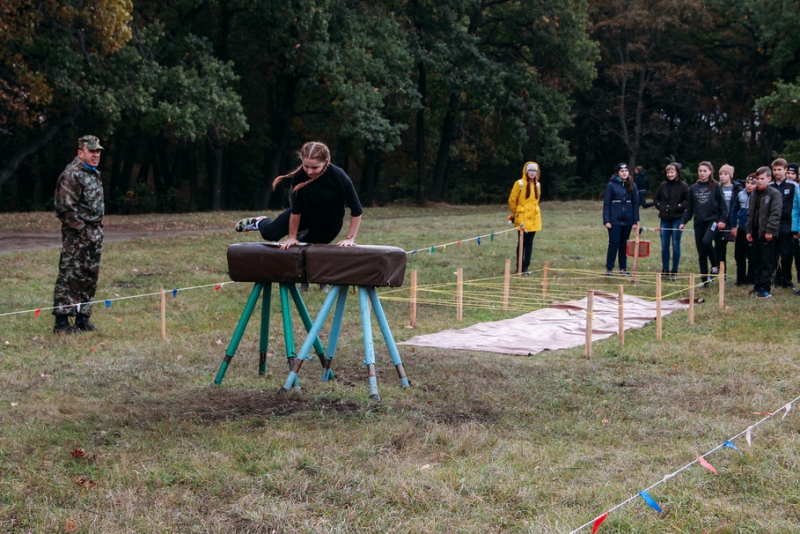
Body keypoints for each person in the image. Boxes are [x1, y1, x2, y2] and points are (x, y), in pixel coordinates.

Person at [234, 141, 363, 290]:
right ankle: (260, 222)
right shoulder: (299, 177)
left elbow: (357, 210)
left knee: (305, 250)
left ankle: (310, 282)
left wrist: (350, 238)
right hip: (306, 215)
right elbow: (296, 211)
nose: (309, 171)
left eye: (315, 167)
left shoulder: (339, 176)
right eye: (306, 166)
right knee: (271, 234)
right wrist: (292, 236)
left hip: (329, 223)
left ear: (325, 162)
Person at [52, 135, 105, 334]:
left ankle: (83, 318)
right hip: (77, 238)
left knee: (89, 276)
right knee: (70, 276)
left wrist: (95, 233)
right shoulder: (71, 175)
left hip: (95, 236)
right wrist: (82, 231)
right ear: (80, 152)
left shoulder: (93, 174)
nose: (96, 155)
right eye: (91, 151)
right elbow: (65, 209)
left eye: (98, 151)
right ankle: (62, 323)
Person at [679, 161, 727, 287]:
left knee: (707, 241)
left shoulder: (715, 186)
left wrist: (722, 220)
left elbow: (723, 205)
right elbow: (689, 208)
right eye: (700, 171)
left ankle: (715, 265)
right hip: (698, 222)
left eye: (705, 171)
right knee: (701, 252)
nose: (702, 173)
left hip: (713, 220)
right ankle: (704, 281)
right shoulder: (693, 188)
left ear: (710, 172)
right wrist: (683, 221)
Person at [747, 167, 782, 298]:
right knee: (756, 259)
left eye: (762, 179)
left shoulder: (774, 194)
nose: (760, 181)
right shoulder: (754, 193)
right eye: (758, 179)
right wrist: (748, 230)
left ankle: (765, 288)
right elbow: (750, 213)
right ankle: (757, 285)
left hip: (767, 233)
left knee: (767, 260)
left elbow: (775, 213)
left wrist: (770, 231)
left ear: (769, 179)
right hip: (755, 231)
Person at [653, 162, 689, 279]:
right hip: (665, 218)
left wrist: (678, 207)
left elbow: (688, 201)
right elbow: (656, 198)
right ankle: (665, 269)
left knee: (675, 244)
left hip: (677, 218)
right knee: (664, 245)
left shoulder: (683, 186)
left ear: (677, 173)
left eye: (672, 172)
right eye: (668, 172)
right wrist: (661, 206)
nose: (670, 174)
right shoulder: (663, 185)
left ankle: (674, 271)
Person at [602, 163, 640, 275]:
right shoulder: (611, 185)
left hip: (628, 220)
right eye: (622, 171)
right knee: (614, 243)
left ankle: (623, 268)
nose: (624, 173)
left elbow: (635, 204)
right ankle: (609, 268)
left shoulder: (633, 185)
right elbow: (607, 204)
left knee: (624, 244)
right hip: (615, 220)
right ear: (618, 173)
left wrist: (635, 221)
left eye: (626, 171)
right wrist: (607, 220)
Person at [508, 161, 542, 275]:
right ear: (526, 171)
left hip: (534, 219)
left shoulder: (537, 185)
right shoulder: (519, 184)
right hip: (522, 219)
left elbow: (536, 201)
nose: (532, 173)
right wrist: (516, 214)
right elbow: (512, 200)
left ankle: (526, 267)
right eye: (530, 170)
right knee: (522, 243)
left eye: (535, 171)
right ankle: (519, 267)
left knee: (530, 244)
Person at [769, 158, 795, 289]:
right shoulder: (769, 186)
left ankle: (787, 278)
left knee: (787, 253)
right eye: (774, 170)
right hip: (772, 223)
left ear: (785, 170)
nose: (777, 172)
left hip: (786, 223)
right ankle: (774, 277)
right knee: (773, 252)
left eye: (779, 169)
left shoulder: (792, 186)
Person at [713, 164, 742, 278]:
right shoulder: (716, 188)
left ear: (730, 176)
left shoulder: (738, 189)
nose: (723, 176)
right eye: (721, 174)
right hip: (720, 221)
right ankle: (722, 272)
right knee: (719, 247)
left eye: (725, 174)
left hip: (733, 222)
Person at [730, 174, 756, 286]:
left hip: (752, 229)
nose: (749, 186)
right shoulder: (741, 194)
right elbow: (734, 210)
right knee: (739, 255)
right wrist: (733, 226)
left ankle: (751, 278)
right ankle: (740, 279)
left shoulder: (758, 196)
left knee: (751, 255)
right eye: (747, 183)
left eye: (752, 183)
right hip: (741, 228)